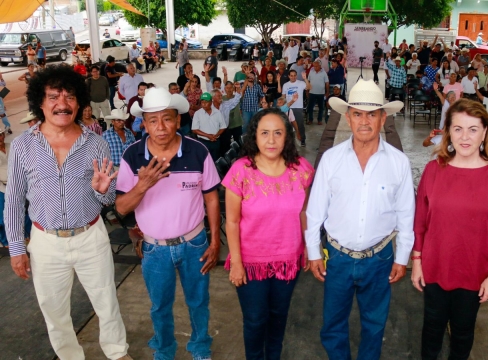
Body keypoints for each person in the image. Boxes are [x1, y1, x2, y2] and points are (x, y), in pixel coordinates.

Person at [6, 65, 131, 360]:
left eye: (69, 97)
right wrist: (15, 248)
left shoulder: (95, 143)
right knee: (54, 310)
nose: (62, 104)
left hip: (91, 237)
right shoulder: (23, 146)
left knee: (107, 302)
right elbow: (13, 201)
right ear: (40, 102)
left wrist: (103, 191)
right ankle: (69, 356)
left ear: (79, 102)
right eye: (53, 97)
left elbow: (109, 198)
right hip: (45, 242)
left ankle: (117, 352)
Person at [305, 80, 413, 360]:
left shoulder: (398, 162)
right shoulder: (331, 159)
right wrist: (314, 252)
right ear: (348, 117)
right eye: (357, 113)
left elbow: (405, 215)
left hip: (379, 260)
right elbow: (315, 211)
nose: (364, 121)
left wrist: (402, 258)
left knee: (375, 326)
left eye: (372, 114)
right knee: (332, 326)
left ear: (383, 118)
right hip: (337, 258)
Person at [116, 87, 221, 360]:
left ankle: (200, 347)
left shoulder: (198, 152)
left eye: (167, 118)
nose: (161, 127)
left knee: (198, 302)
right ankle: (164, 350)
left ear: (178, 120)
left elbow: (211, 199)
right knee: (160, 306)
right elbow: (121, 207)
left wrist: (215, 240)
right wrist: (142, 186)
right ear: (144, 123)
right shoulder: (132, 156)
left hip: (195, 243)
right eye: (153, 120)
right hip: (154, 249)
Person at [413, 99, 488, 360]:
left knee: (462, 333)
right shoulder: (433, 170)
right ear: (448, 132)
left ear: (484, 132)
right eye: (458, 129)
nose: (465, 137)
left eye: (473, 129)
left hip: (475, 272)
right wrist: (416, 260)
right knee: (431, 330)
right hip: (435, 267)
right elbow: (421, 221)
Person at [223, 108, 313, 360]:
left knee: (278, 316)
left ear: (287, 137)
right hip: (251, 263)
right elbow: (231, 221)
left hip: (288, 260)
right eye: (264, 133)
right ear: (255, 136)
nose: (271, 140)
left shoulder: (301, 170)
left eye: (277, 133)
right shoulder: (241, 171)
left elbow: (304, 211)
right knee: (254, 320)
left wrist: (307, 247)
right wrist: (237, 263)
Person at [192, 92, 226, 160]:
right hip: (203, 142)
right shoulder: (197, 114)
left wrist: (215, 135)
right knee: (204, 161)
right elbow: (194, 129)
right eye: (202, 102)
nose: (204, 104)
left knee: (216, 160)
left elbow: (223, 127)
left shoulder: (217, 112)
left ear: (211, 102)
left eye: (206, 102)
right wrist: (207, 135)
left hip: (215, 141)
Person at [279, 69, 307, 147]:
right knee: (287, 125)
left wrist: (305, 79)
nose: (293, 77)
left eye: (294, 75)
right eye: (291, 75)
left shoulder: (301, 83)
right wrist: (282, 106)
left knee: (300, 124)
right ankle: (288, 142)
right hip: (288, 107)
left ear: (296, 76)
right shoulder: (285, 85)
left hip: (298, 107)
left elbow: (309, 87)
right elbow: (283, 96)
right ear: (289, 76)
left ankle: (302, 139)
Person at [306, 59, 329, 125]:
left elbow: (327, 83)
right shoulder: (311, 71)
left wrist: (327, 92)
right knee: (310, 107)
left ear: (320, 66)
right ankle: (310, 120)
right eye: (314, 66)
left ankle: (319, 120)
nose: (315, 67)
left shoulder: (323, 72)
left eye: (316, 66)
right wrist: (307, 90)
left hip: (321, 93)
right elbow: (308, 81)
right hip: (312, 92)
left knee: (321, 107)